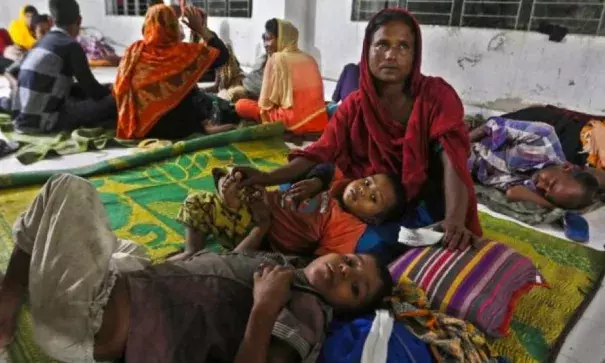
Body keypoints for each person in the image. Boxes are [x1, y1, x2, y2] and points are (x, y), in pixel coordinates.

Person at [0, 174, 393, 363]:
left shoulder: (307, 313)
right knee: (129, 248)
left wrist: (263, 310)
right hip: (122, 286)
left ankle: (8, 300)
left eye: (354, 288)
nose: (345, 273)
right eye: (351, 263)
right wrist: (257, 228)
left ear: (342, 310)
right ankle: (47, 273)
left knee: (67, 188)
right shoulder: (290, 268)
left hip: (91, 320)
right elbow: (227, 264)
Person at [237, 9, 481, 250]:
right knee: (289, 192)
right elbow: (319, 151)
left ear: (415, 54)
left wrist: (455, 220)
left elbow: (453, 159)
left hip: (421, 200)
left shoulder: (437, 97)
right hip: (366, 191)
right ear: (368, 49)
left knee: (379, 244)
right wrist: (265, 176)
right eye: (382, 44)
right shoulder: (355, 105)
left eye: (403, 46)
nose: (391, 55)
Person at [172, 164, 406, 260]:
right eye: (366, 182)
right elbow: (325, 166)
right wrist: (316, 180)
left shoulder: (348, 226)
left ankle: (231, 210)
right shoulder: (338, 184)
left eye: (373, 198)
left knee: (216, 201)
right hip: (262, 202)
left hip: (264, 234)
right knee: (203, 197)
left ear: (372, 218)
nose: (362, 191)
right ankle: (193, 249)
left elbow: (319, 260)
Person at [114, 4, 235, 140]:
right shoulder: (182, 53)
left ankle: (205, 123)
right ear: (172, 27)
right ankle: (204, 126)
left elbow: (120, 88)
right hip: (179, 127)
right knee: (216, 104)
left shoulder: (134, 50)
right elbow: (222, 56)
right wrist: (201, 29)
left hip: (142, 127)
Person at [8, 0, 116, 134]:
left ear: (51, 21)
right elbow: (93, 91)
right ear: (79, 20)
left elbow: (12, 72)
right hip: (45, 122)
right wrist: (114, 91)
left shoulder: (40, 43)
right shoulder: (71, 46)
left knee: (79, 92)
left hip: (20, 120)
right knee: (115, 102)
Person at [469, 117, 603, 209]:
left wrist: (552, 206)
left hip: (464, 170)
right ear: (566, 167)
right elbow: (492, 126)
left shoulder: (544, 190)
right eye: (550, 183)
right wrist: (459, 143)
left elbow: (513, 193)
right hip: (466, 146)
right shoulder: (542, 137)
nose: (540, 185)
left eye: (546, 194)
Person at [234, 19, 328, 134]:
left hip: (292, 123)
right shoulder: (310, 58)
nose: (265, 45)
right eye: (264, 39)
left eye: (269, 39)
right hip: (319, 120)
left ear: (282, 38)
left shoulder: (277, 59)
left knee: (241, 105)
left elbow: (265, 104)